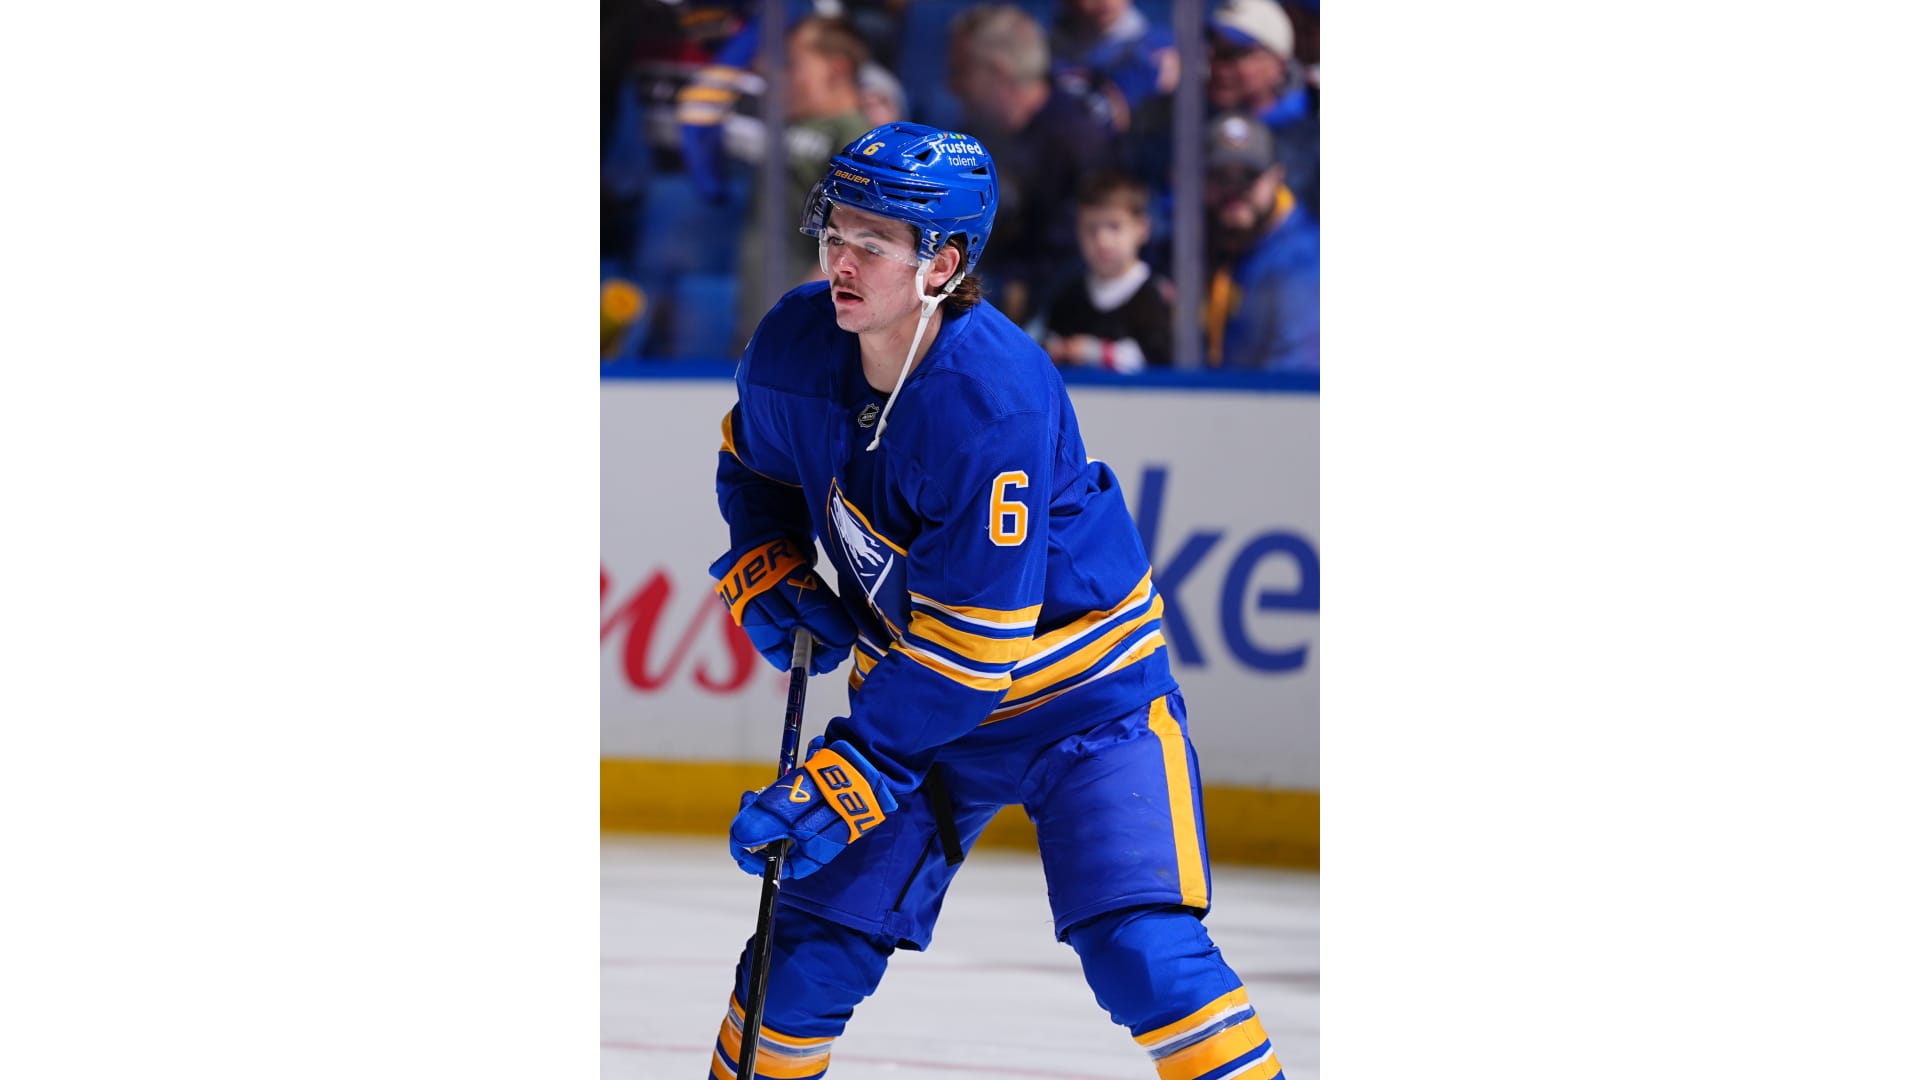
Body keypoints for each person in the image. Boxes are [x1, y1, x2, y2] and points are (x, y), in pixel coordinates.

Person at [704, 121, 1287, 1079]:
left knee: (1143, 954)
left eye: (872, 243)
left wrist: (851, 774)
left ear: (942, 263)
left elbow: (974, 650)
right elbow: (756, 467)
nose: (840, 261)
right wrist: (766, 555)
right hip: (921, 703)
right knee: (796, 966)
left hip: (1083, 704)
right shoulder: (793, 344)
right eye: (835, 233)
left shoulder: (991, 398)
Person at [945, 4, 1118, 327]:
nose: (952, 86)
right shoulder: (969, 139)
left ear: (997, 72)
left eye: (961, 71)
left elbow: (1075, 253)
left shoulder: (1075, 140)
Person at [1204, 112, 1319, 371]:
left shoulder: (1306, 262)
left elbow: (1293, 381)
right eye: (1220, 176)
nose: (1233, 190)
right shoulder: (1200, 243)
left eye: (1249, 176)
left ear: (1277, 176)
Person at [1043, 170, 1174, 372]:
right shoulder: (1068, 297)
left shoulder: (1158, 297)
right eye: (1091, 229)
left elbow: (1161, 361)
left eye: (1114, 226)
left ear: (1142, 228)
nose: (1102, 241)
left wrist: (1093, 352)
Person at [1207, 0, 1318, 220]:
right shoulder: (1181, 125)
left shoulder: (1315, 134)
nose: (1220, 66)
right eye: (1214, 51)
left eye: (1235, 53)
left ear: (1278, 62)